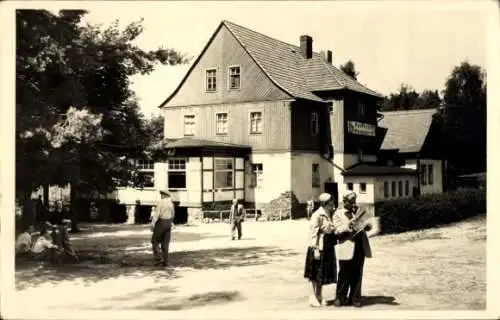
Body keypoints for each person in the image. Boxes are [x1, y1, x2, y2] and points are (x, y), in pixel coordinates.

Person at [332, 191, 373, 308]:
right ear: (344, 201)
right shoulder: (338, 214)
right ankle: (340, 297)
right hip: (347, 245)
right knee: (344, 273)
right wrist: (348, 226)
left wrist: (368, 226)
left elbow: (367, 222)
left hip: (360, 244)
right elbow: (336, 230)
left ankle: (355, 298)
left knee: (358, 272)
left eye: (354, 201)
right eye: (351, 202)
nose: (353, 204)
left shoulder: (359, 210)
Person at [303, 193, 338, 307]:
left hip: (327, 245)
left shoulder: (329, 213)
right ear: (325, 204)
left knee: (321, 273)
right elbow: (313, 233)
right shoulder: (317, 215)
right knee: (314, 273)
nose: (333, 204)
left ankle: (319, 295)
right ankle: (312, 297)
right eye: (331, 202)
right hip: (318, 246)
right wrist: (315, 249)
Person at [151, 189, 175, 267]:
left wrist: (152, 224)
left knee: (155, 240)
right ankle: (166, 261)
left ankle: (158, 259)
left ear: (164, 195)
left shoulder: (161, 203)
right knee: (165, 243)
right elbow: (173, 215)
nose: (161, 196)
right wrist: (171, 222)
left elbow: (156, 215)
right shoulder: (171, 204)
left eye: (161, 195)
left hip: (161, 223)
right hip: (168, 223)